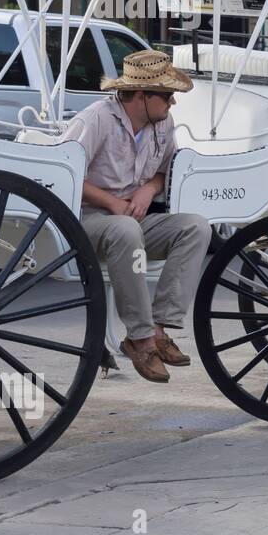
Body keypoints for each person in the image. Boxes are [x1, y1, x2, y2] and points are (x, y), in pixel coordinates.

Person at [65, 51, 212, 384]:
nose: (173, 102)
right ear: (142, 96)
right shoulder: (96, 120)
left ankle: (159, 327)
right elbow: (64, 172)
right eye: (167, 95)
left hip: (131, 220)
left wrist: (149, 189)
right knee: (125, 229)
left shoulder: (163, 123)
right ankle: (141, 338)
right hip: (87, 221)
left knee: (195, 228)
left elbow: (164, 171)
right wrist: (110, 202)